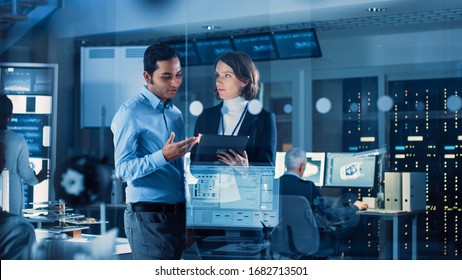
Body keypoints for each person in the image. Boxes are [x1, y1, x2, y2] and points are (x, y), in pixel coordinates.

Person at [111, 43, 199, 260]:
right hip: (147, 217)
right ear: (147, 76)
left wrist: (188, 219)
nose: (175, 83)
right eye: (166, 76)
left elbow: (179, 174)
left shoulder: (176, 114)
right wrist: (163, 156)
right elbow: (122, 170)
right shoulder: (130, 113)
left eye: (178, 75)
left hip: (177, 216)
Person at [191, 51, 277, 166]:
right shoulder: (206, 116)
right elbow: (194, 167)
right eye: (217, 75)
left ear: (244, 81)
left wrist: (246, 170)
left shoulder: (264, 119)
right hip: (210, 184)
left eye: (227, 75)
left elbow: (269, 170)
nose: (219, 81)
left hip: (245, 184)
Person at [279, 147, 368, 254]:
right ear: (302, 167)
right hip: (308, 242)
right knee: (360, 225)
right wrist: (355, 207)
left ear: (285, 164)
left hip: (280, 242)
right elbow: (330, 216)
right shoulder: (309, 187)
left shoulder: (273, 185)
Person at [0, 94, 47, 215]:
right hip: (10, 195)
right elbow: (25, 173)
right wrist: (38, 178)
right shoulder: (17, 141)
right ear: (10, 117)